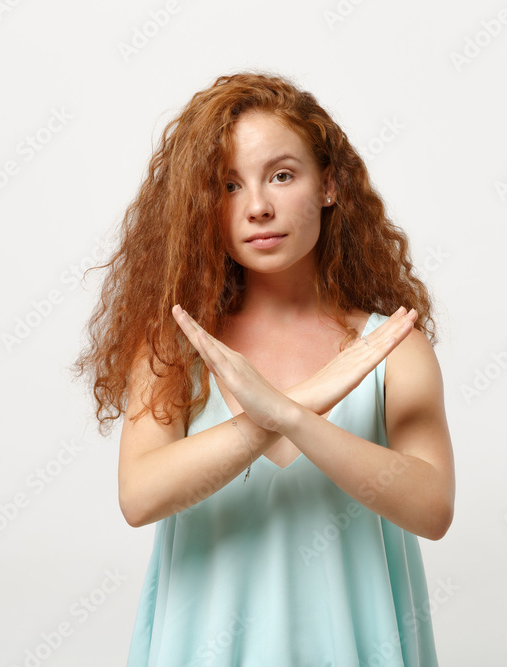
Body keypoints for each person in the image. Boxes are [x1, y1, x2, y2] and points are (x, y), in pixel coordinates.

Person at [73, 71, 455, 665]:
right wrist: (292, 407)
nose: (257, 207)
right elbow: (140, 497)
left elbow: (432, 509)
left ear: (328, 185)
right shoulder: (175, 346)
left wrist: (291, 415)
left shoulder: (392, 346)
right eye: (228, 185)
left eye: (281, 175)